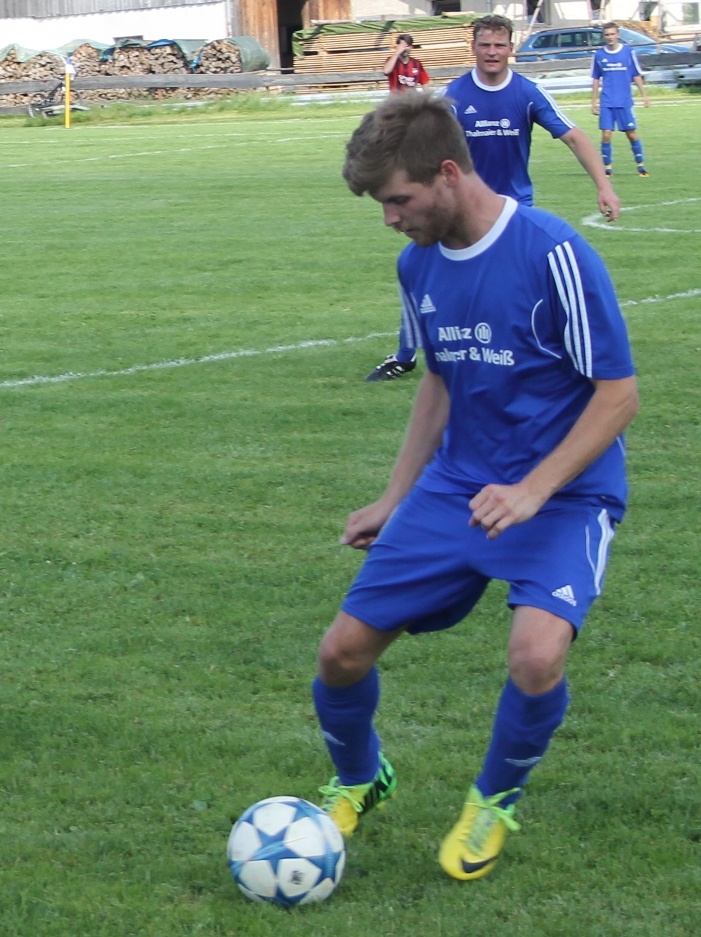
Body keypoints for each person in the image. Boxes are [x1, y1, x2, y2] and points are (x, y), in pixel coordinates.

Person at [315, 93, 637, 882]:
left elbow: (617, 395)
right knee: (340, 654)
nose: (389, 218)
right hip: (457, 485)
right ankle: (359, 776)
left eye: (397, 199)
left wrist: (531, 489)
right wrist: (395, 495)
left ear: (447, 173)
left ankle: (492, 797)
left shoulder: (551, 252)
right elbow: (438, 382)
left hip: (562, 495)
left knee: (534, 655)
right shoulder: (415, 262)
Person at [364, 14, 621, 383]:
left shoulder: (527, 93)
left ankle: (548, 349)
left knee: (525, 286)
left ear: (511, 49)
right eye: (484, 44)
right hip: (461, 211)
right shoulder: (453, 97)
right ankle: (405, 356)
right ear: (473, 48)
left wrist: (604, 186)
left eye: (499, 45)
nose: (492, 52)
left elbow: (575, 138)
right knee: (420, 267)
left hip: (515, 210)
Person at [591, 22, 650, 178]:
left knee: (631, 134)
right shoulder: (599, 55)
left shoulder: (628, 52)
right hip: (607, 102)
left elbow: (636, 74)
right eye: (607, 35)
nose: (610, 37)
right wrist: (594, 101)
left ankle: (641, 166)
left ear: (618, 35)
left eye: (612, 34)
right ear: (604, 37)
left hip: (624, 101)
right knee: (606, 134)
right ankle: (607, 169)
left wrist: (644, 95)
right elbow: (596, 79)